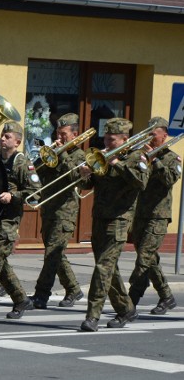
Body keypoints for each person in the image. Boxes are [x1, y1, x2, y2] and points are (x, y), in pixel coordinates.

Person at [78, 118, 149, 332]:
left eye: (112, 140)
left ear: (125, 140)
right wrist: (84, 175)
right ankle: (126, 309)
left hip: (119, 219)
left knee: (102, 269)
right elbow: (89, 184)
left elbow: (141, 182)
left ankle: (92, 316)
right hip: (99, 217)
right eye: (106, 139)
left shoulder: (137, 157)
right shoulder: (103, 155)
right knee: (110, 270)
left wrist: (117, 164)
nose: (107, 143)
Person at [0, 122, 39, 319]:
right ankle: (21, 299)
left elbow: (36, 192)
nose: (2, 139)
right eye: (2, 135)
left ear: (17, 141)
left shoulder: (22, 163)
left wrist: (14, 195)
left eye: (8, 136)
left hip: (9, 220)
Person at [29, 113, 86, 309]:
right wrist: (44, 156)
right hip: (49, 209)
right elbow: (35, 172)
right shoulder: (53, 152)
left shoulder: (79, 155)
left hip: (65, 212)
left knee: (52, 254)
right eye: (58, 134)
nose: (59, 138)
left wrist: (61, 153)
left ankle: (41, 294)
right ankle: (73, 289)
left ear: (75, 134)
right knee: (56, 254)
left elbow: (75, 177)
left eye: (63, 134)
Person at [128, 117, 181, 315]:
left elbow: (169, 179)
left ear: (164, 135)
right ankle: (166, 297)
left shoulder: (172, 159)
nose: (149, 137)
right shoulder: (141, 156)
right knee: (150, 259)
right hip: (140, 213)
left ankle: (130, 301)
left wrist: (154, 159)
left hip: (158, 216)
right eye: (147, 133)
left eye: (153, 134)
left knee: (144, 258)